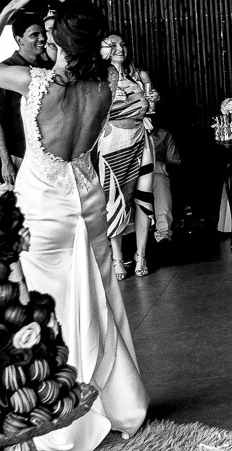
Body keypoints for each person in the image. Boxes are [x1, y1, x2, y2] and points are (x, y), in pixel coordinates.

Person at [0, 0, 148, 451]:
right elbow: (95, 39)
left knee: (48, 311)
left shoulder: (34, 82)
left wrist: (7, 12)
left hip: (43, 212)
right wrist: (74, 5)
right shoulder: (106, 85)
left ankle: (58, 414)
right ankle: (119, 404)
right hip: (87, 206)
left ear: (54, 40)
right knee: (102, 298)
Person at [97, 33, 158, 279]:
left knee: (143, 197)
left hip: (141, 142)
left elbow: (150, 111)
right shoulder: (98, 79)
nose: (118, 49)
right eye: (111, 45)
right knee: (114, 200)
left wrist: (152, 103)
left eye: (122, 44)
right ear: (100, 50)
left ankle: (141, 254)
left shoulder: (139, 76)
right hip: (112, 144)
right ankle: (117, 258)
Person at [0, 11, 51, 185]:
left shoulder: (49, 68)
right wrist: (6, 162)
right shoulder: (4, 70)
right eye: (34, 35)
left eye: (43, 33)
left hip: (48, 154)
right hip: (20, 154)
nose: (42, 38)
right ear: (19, 39)